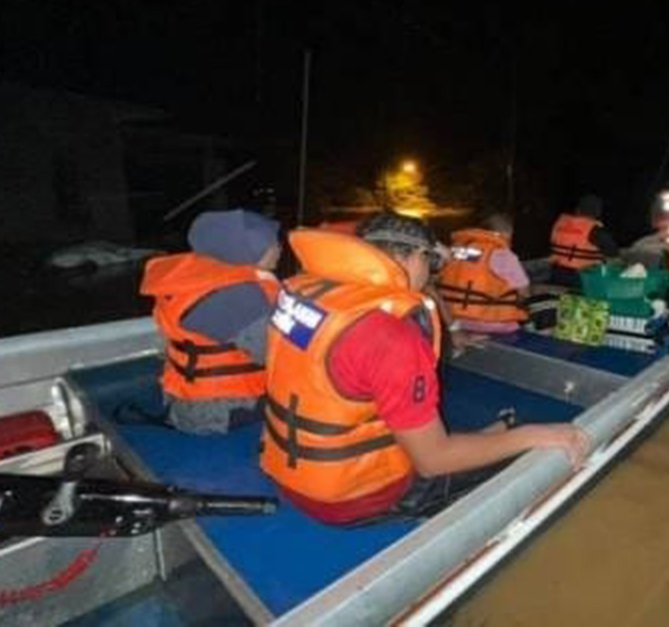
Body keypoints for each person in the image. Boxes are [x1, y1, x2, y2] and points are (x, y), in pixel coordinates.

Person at [260, 212, 590, 525]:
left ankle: (498, 431)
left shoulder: (306, 291)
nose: (431, 274)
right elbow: (434, 462)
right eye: (429, 263)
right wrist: (535, 436)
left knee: (465, 433)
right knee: (536, 448)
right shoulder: (391, 334)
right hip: (355, 499)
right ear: (413, 256)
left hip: (290, 471)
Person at [140, 209, 283, 434]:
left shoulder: (193, 280)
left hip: (183, 402)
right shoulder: (238, 296)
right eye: (274, 243)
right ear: (250, 249)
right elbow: (279, 357)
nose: (280, 249)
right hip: (223, 411)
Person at [436, 213, 531, 335]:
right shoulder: (501, 253)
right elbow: (524, 291)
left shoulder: (456, 248)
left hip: (452, 317)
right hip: (491, 323)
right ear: (506, 232)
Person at [549, 194, 619, 288]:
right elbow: (614, 255)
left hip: (556, 274)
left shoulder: (559, 224)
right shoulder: (596, 231)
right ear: (598, 213)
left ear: (577, 210)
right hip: (581, 278)